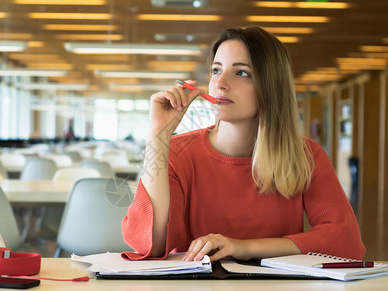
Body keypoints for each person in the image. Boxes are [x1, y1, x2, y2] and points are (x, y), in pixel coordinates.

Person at [121, 27, 365, 262]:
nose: (220, 83)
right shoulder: (177, 152)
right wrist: (158, 136)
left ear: (270, 87)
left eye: (241, 73)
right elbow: (149, 245)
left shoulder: (305, 155)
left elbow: (346, 242)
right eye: (216, 70)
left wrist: (245, 247)